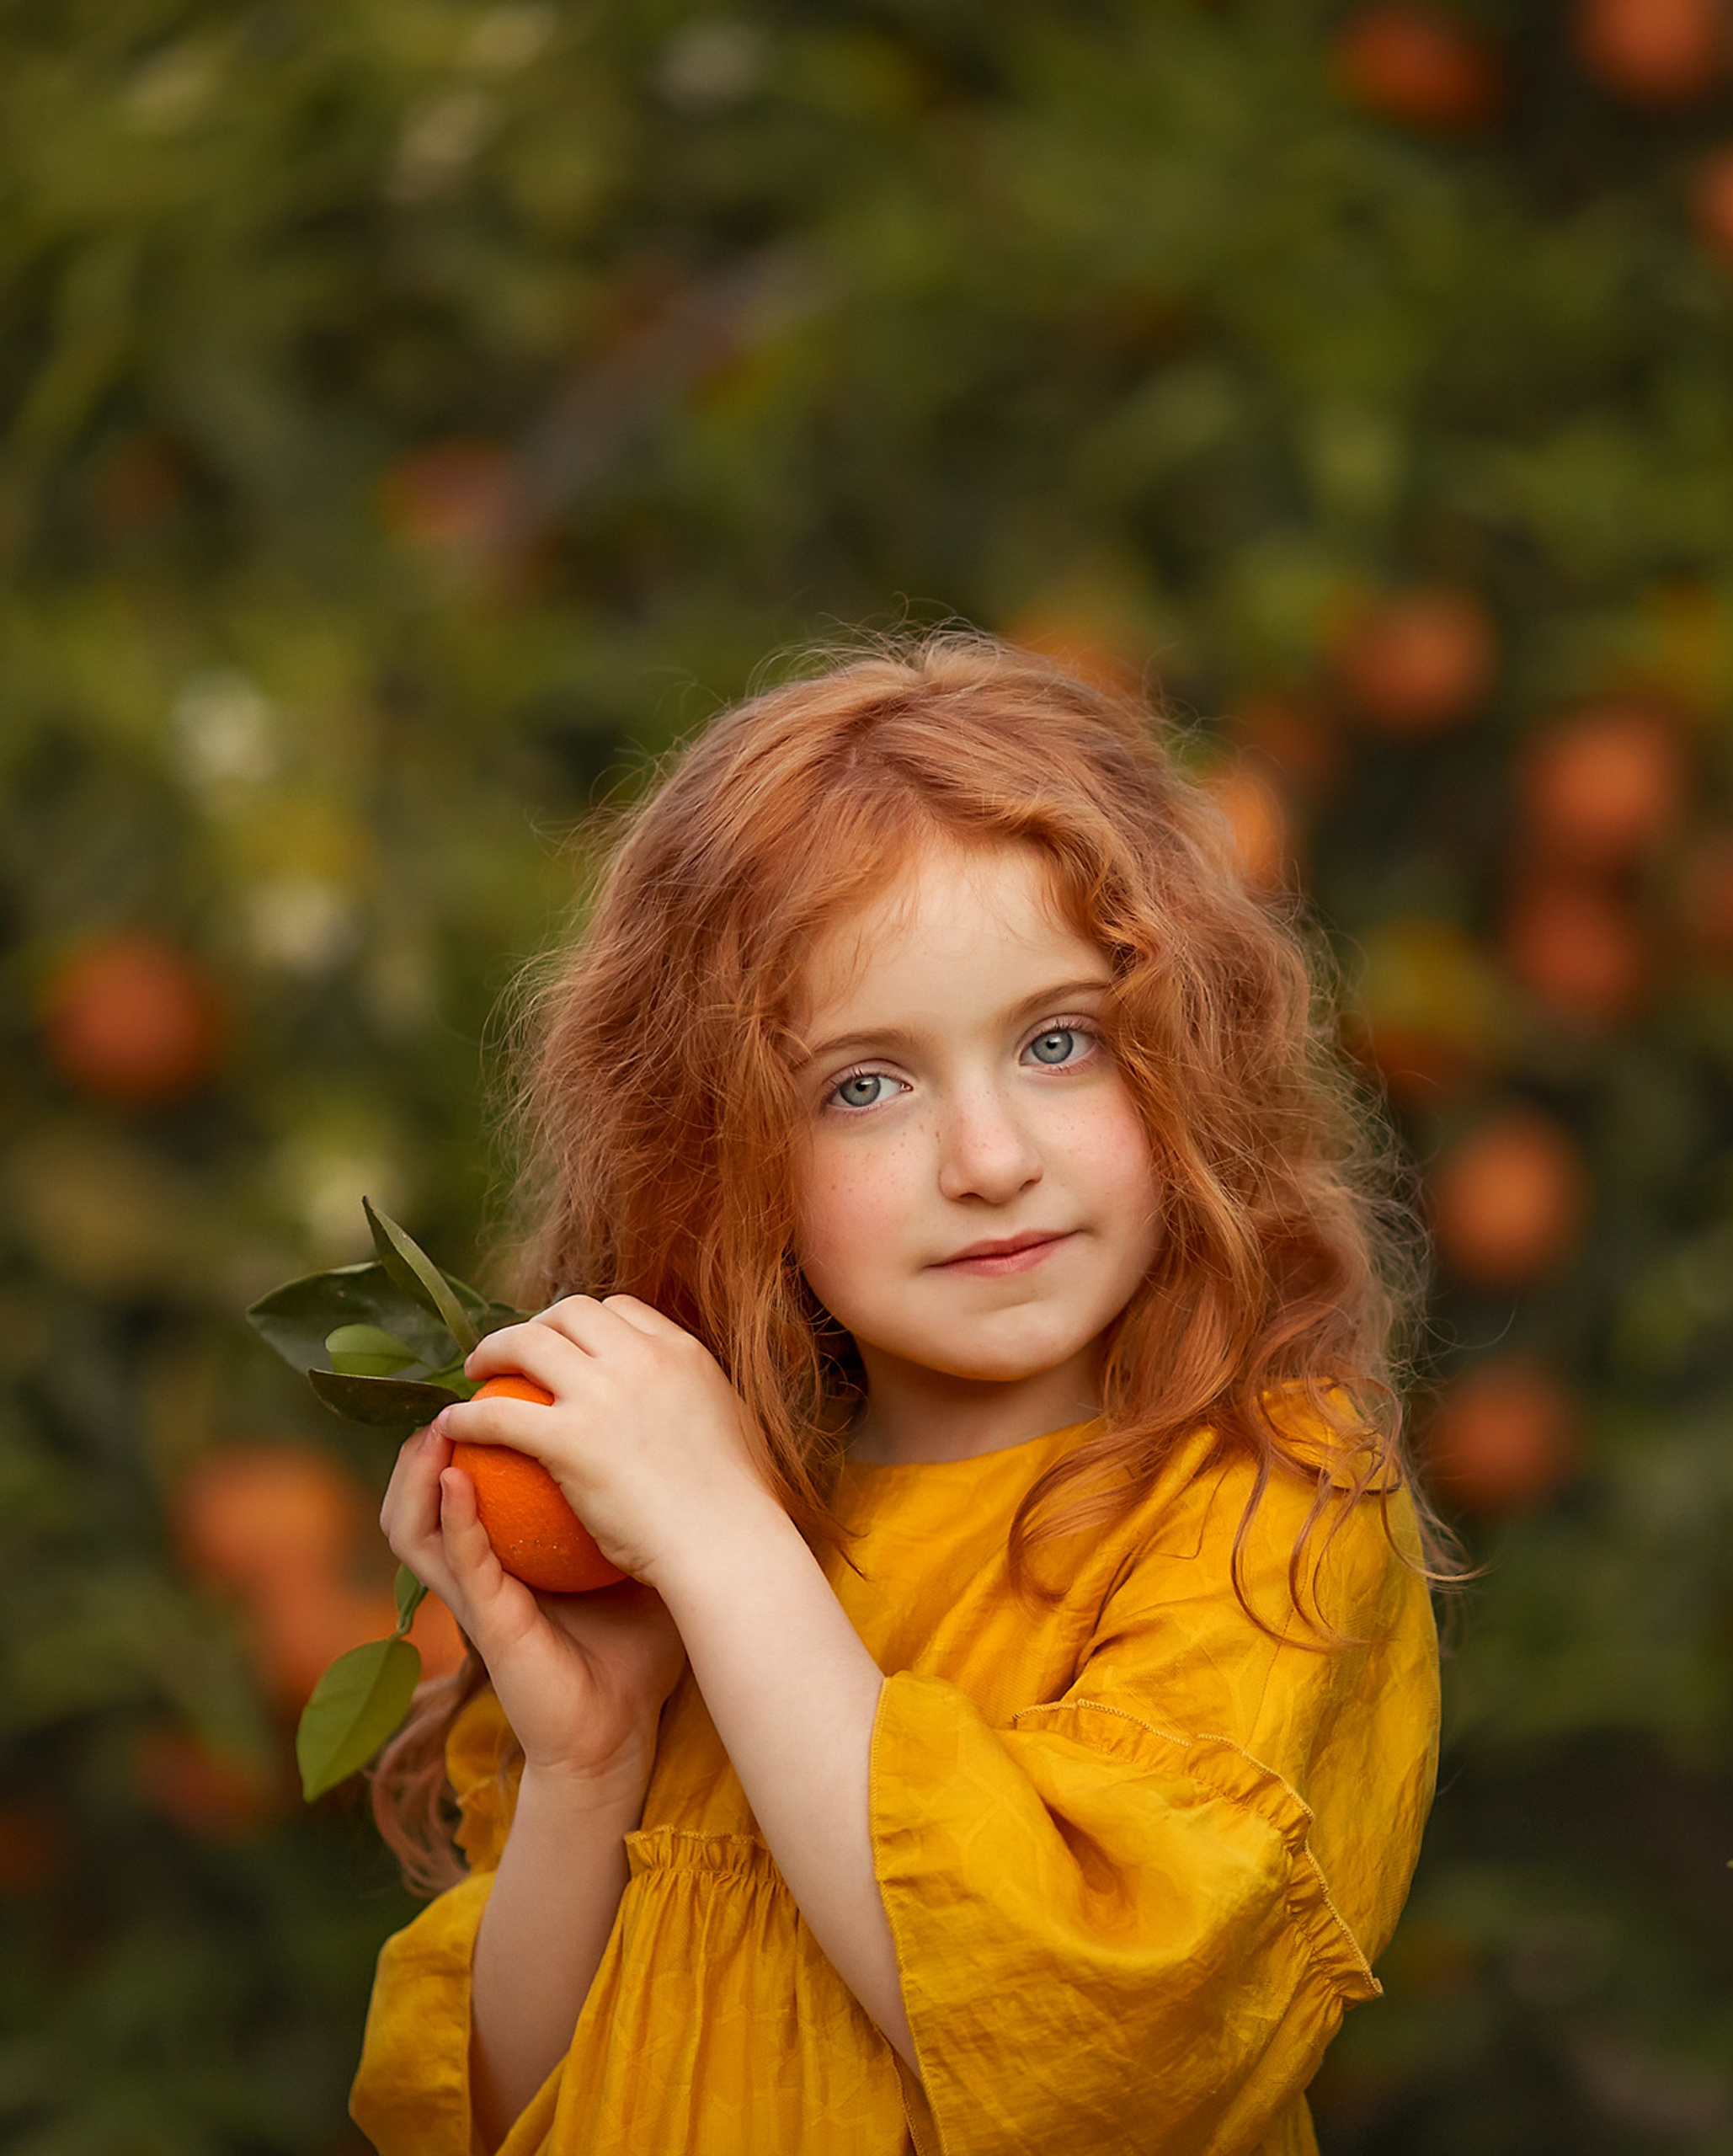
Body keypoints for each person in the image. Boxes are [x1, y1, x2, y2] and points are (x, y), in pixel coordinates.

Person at [349, 633, 1451, 2156]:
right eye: (864, 1084)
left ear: (1186, 1057)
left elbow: (1089, 2053)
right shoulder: (675, 1540)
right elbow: (505, 2109)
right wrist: (590, 1762)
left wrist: (727, 1550)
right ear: (719, 1149)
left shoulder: (1264, 1503)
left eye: (1059, 1043)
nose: (989, 1160)